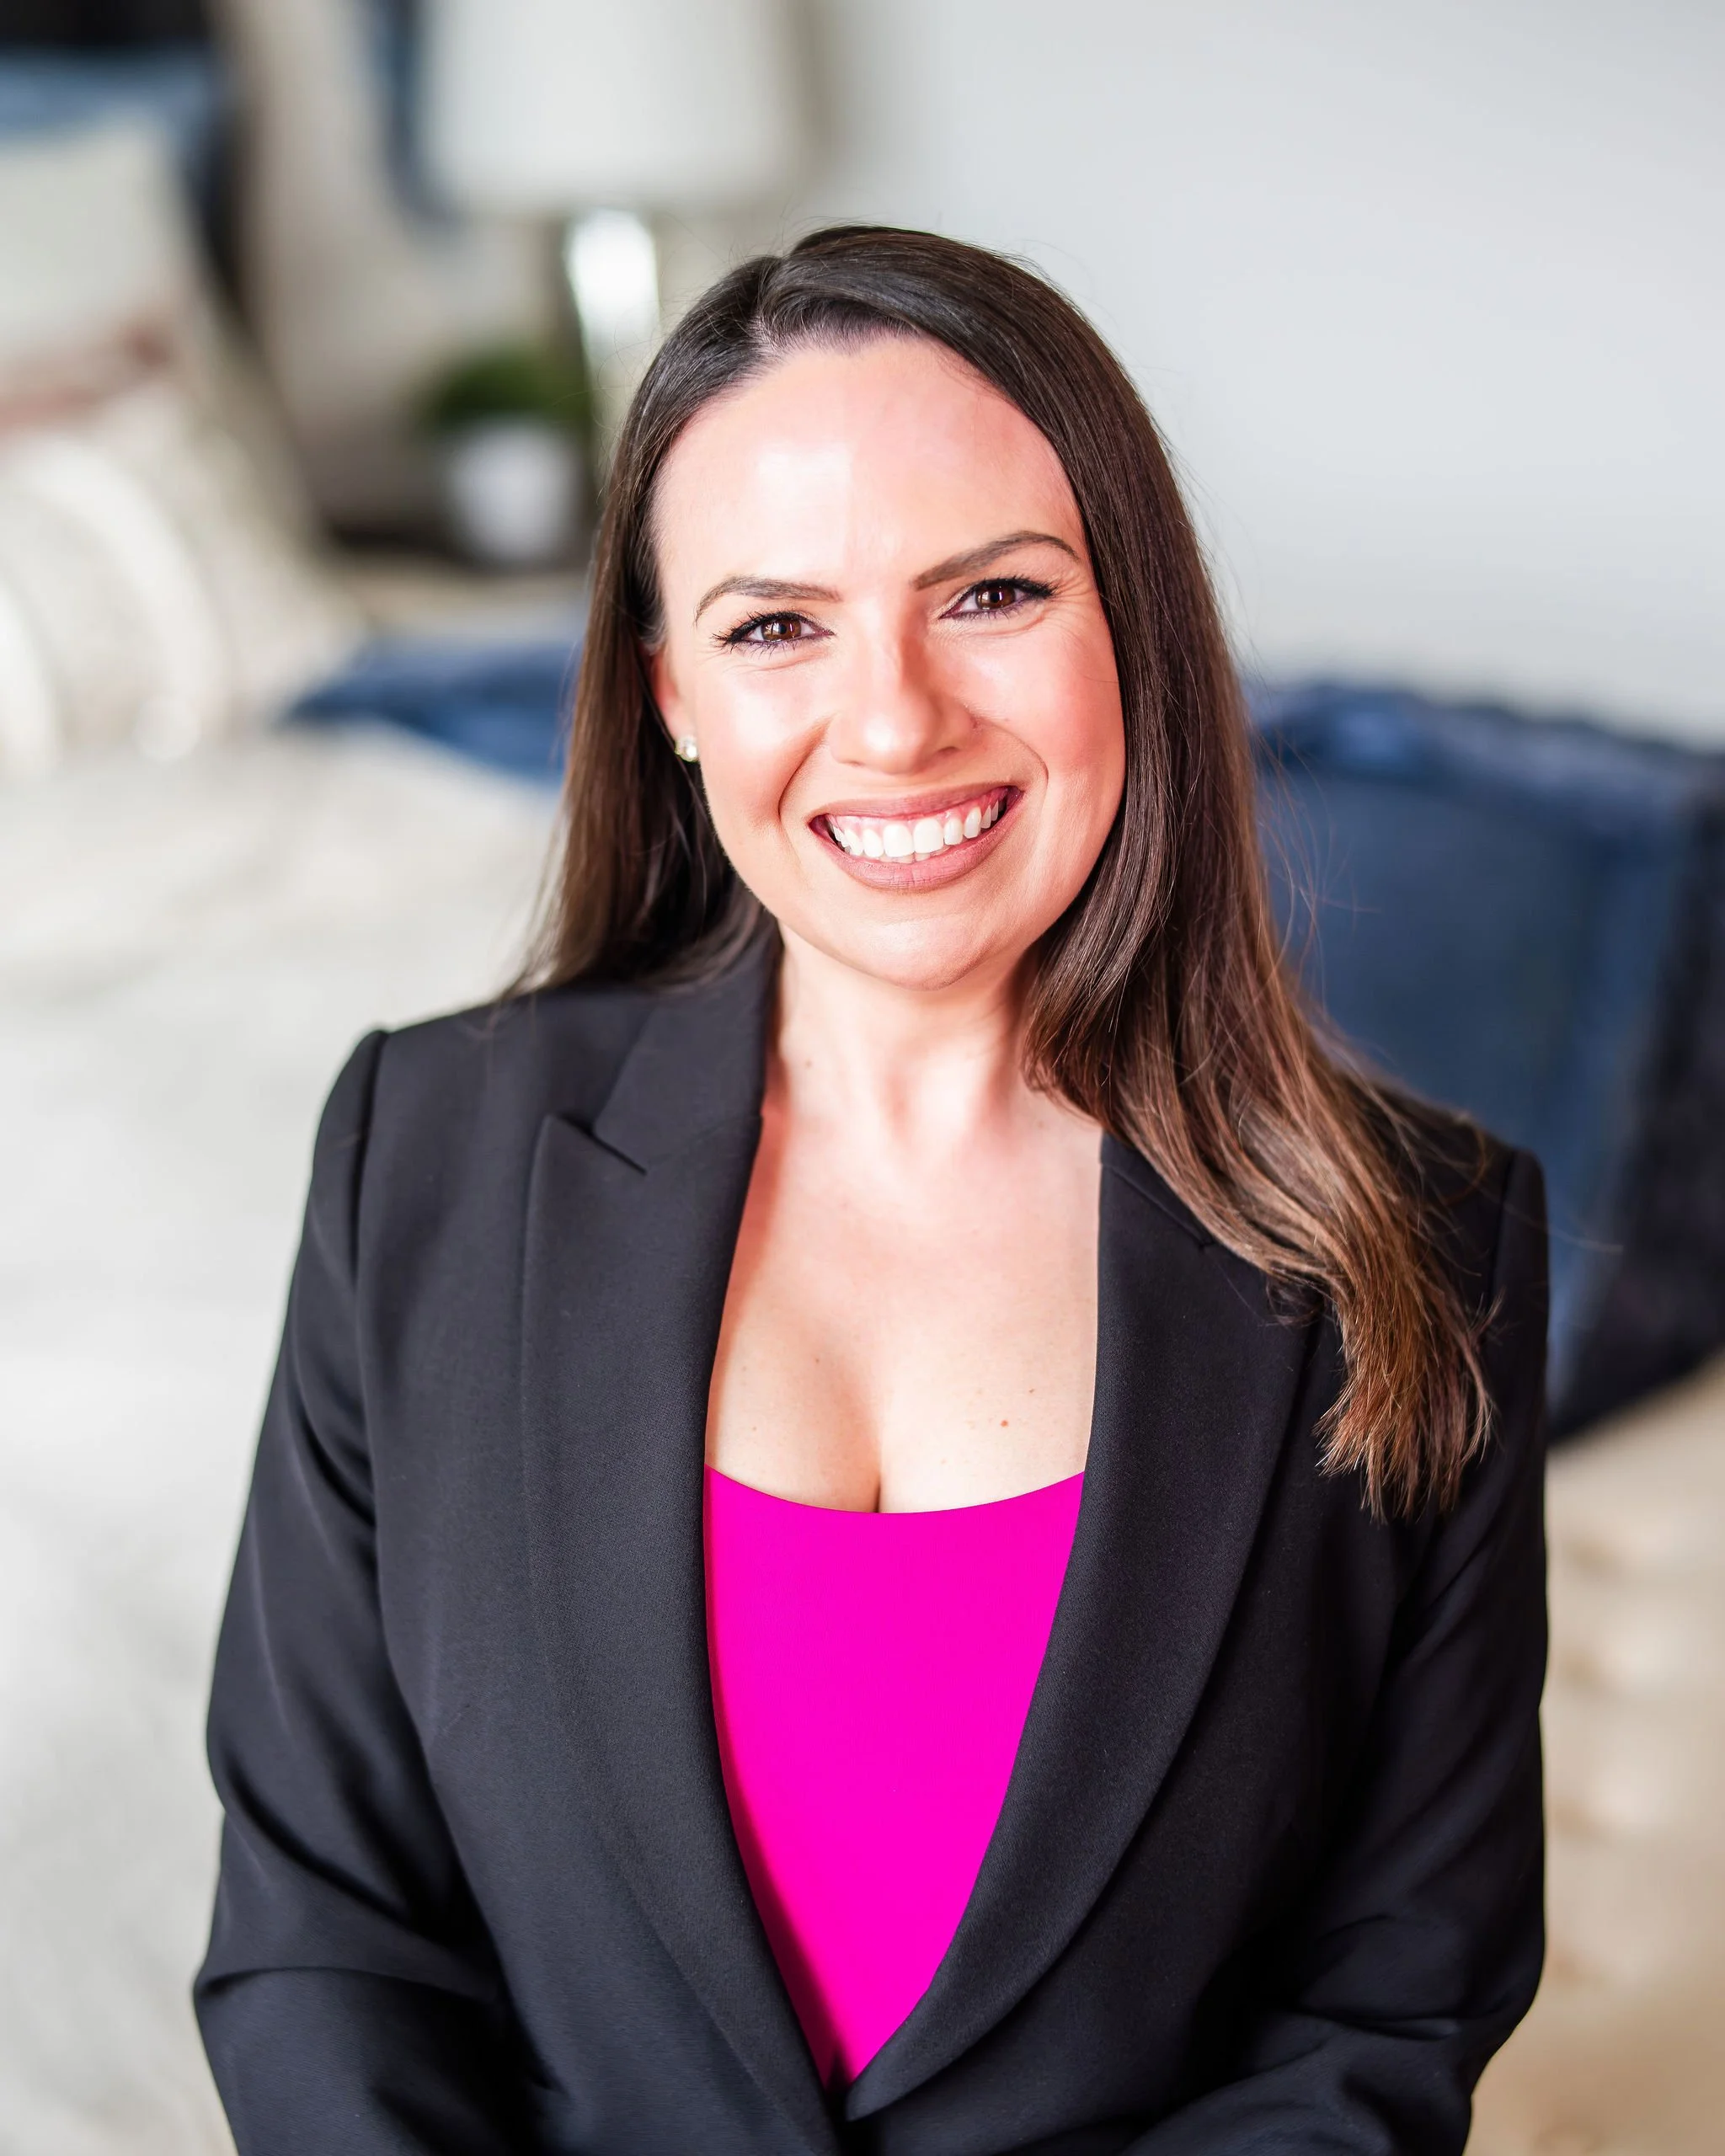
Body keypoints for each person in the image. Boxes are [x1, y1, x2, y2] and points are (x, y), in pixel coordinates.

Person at [195, 227, 1547, 2156]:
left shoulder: (1427, 1241)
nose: (896, 719)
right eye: (775, 626)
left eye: (990, 593)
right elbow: (328, 1938)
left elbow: (1379, 2015)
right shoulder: (417, 1154)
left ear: (1134, 630)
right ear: (668, 691)